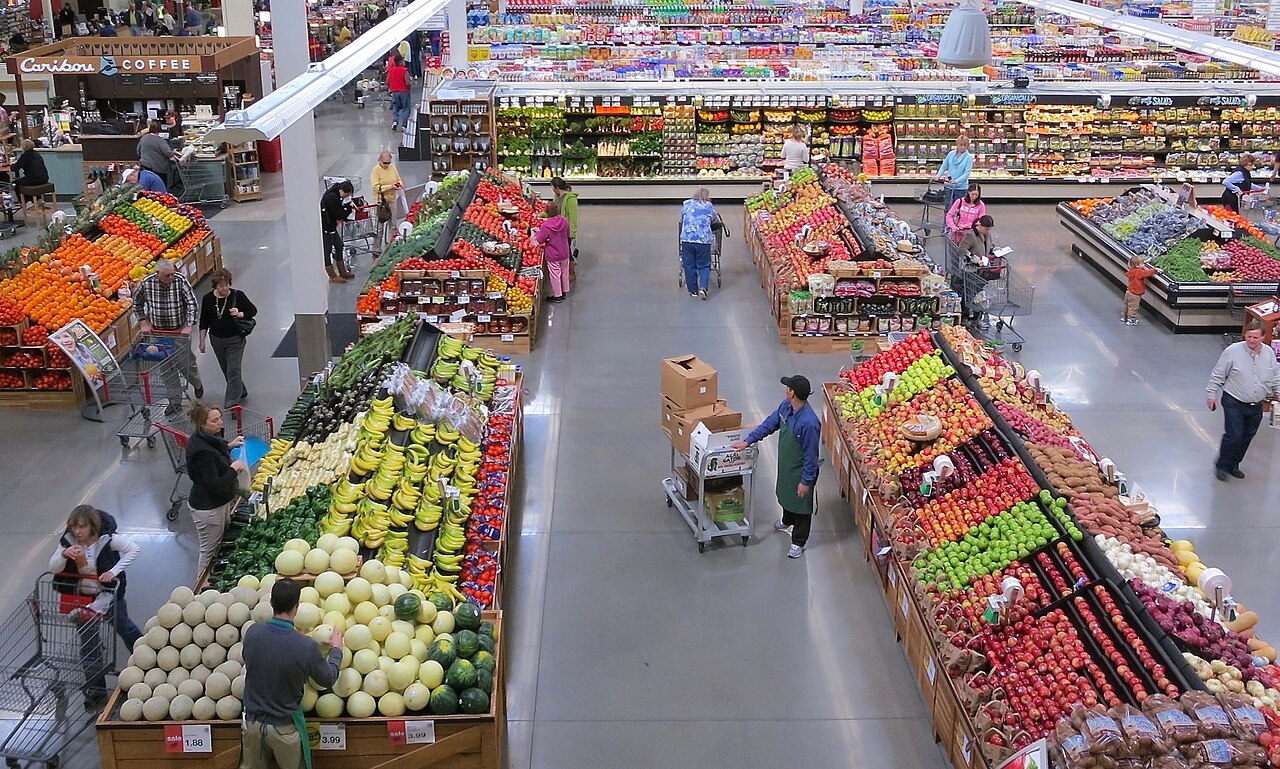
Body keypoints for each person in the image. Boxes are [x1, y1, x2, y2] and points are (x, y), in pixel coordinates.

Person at [240, 579, 343, 769]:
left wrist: (297, 642)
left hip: (251, 725)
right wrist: (336, 650)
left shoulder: (252, 632)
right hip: (284, 730)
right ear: (297, 606)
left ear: (271, 602)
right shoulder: (305, 647)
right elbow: (328, 678)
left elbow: (259, 658)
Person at [50, 505, 144, 706]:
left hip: (109, 597)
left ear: (92, 526)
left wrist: (114, 571)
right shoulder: (68, 541)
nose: (77, 532)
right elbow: (53, 567)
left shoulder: (107, 539)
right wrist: (64, 554)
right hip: (83, 601)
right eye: (74, 527)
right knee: (89, 644)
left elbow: (133, 549)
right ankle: (96, 690)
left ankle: (148, 660)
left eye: (82, 527)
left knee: (125, 628)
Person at [732, 375, 821, 559]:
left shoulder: (809, 423)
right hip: (787, 465)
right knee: (785, 492)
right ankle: (787, 519)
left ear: (792, 393)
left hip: (801, 469)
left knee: (802, 505)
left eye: (787, 387)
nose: (785, 389)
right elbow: (769, 424)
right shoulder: (785, 407)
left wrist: (806, 481)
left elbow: (811, 457)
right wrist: (748, 441)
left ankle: (798, 542)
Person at [1206, 322, 1280, 482]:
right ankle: (1222, 465)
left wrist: (1278, 393)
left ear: (1263, 337)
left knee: (1247, 436)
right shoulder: (1232, 352)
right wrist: (1212, 394)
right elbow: (1218, 374)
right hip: (1234, 401)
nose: (1251, 340)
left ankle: (1234, 464)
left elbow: (1275, 375)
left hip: (1256, 405)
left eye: (1255, 337)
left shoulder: (1269, 354)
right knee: (1234, 435)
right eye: (1249, 336)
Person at [186, 401, 247, 580]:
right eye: (214, 421)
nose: (220, 423)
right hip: (208, 508)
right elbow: (215, 485)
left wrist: (229, 445)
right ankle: (200, 587)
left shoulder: (206, 437)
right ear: (202, 424)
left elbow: (216, 452)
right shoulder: (202, 452)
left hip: (220, 502)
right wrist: (234, 468)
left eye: (219, 418)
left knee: (222, 539)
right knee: (209, 550)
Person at [132, 258, 203, 404]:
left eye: (172, 274)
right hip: (157, 333)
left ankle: (196, 383)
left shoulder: (180, 281)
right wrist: (143, 321)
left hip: (178, 331)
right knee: (166, 369)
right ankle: (175, 401)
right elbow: (136, 303)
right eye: (167, 275)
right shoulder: (147, 283)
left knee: (185, 363)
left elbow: (192, 303)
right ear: (157, 273)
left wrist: (189, 325)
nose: (171, 278)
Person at [199, 268, 256, 409]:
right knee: (227, 369)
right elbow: (204, 320)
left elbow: (252, 311)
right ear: (215, 286)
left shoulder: (238, 296)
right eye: (221, 286)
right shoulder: (208, 299)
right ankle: (240, 389)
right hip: (216, 340)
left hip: (235, 339)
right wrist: (202, 341)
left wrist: (240, 313)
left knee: (233, 370)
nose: (224, 288)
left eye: (226, 285)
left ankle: (231, 403)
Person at [953, 214, 996, 325]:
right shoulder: (970, 235)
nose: (987, 231)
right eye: (986, 228)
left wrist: (995, 249)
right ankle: (964, 316)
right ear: (980, 225)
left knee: (979, 294)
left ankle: (976, 316)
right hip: (970, 270)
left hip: (982, 270)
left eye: (989, 229)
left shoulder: (987, 235)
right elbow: (961, 250)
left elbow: (989, 246)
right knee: (969, 293)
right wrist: (974, 259)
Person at [679, 186, 718, 300]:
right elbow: (715, 219)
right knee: (704, 264)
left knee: (689, 265)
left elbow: (682, 217)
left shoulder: (686, 204)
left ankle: (693, 291)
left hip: (687, 240)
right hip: (703, 240)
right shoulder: (708, 206)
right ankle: (703, 288)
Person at [533, 200, 571, 303]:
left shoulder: (546, 225)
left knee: (555, 274)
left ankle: (557, 295)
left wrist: (537, 233)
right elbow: (568, 233)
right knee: (564, 272)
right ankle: (564, 291)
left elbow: (540, 240)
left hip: (553, 253)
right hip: (564, 251)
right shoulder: (564, 220)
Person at [320, 180, 355, 283]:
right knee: (327, 250)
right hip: (327, 227)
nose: (345, 197)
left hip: (331, 226)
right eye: (346, 194)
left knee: (339, 246)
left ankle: (342, 271)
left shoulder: (334, 195)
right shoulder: (332, 198)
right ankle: (332, 275)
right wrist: (349, 209)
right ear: (342, 190)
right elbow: (339, 215)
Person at [934, 133, 974, 214]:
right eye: (961, 145)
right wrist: (938, 175)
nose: (963, 147)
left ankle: (957, 224)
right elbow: (944, 166)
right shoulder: (951, 154)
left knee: (958, 208)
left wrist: (957, 181)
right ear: (957, 145)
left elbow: (967, 173)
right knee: (948, 207)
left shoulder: (968, 158)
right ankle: (947, 224)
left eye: (965, 145)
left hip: (960, 188)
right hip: (948, 185)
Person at [1122, 255, 1159, 326]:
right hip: (1135, 294)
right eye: (1142, 263)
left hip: (1129, 291)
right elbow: (1146, 273)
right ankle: (1131, 320)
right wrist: (1155, 270)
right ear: (1137, 265)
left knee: (1127, 305)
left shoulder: (1131, 270)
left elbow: (1138, 266)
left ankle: (1124, 316)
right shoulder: (1139, 272)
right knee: (1134, 307)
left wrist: (1142, 263)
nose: (1144, 264)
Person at [138, 120, 177, 186]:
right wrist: (174, 152)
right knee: (160, 185)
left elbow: (138, 150)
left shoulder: (143, 138)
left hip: (145, 165)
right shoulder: (160, 141)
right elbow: (167, 153)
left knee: (148, 184)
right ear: (159, 129)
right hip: (159, 168)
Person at [550, 176, 579, 263]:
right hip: (557, 228)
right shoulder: (556, 196)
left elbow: (573, 216)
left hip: (565, 230)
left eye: (552, 188)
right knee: (563, 250)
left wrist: (572, 233)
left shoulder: (571, 199)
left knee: (566, 251)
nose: (552, 190)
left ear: (557, 188)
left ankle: (570, 270)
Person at [370, 150, 402, 219]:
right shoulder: (376, 170)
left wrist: (399, 184)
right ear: (380, 160)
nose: (387, 165)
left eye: (389, 163)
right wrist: (390, 187)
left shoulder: (392, 167)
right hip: (380, 200)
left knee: (393, 222)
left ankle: (393, 230)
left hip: (392, 199)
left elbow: (398, 179)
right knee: (380, 223)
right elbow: (375, 187)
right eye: (385, 163)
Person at [387, 54, 411, 132]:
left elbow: (387, 81)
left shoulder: (391, 70)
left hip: (394, 92)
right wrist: (408, 88)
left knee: (395, 107)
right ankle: (404, 125)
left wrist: (391, 87)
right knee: (406, 108)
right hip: (404, 91)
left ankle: (395, 121)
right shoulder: (404, 70)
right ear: (400, 62)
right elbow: (408, 82)